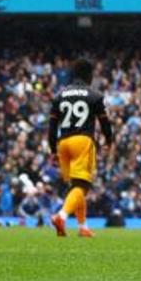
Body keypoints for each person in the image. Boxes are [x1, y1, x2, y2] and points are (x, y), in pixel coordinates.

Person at [49, 59, 114, 239]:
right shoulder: (94, 95)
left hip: (63, 143)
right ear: (89, 75)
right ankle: (61, 216)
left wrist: (53, 150)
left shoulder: (59, 96)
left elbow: (52, 126)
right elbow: (104, 122)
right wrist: (109, 141)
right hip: (82, 140)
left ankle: (82, 226)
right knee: (82, 186)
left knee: (75, 187)